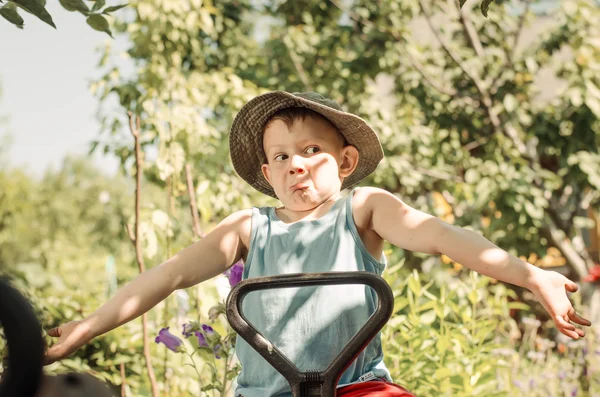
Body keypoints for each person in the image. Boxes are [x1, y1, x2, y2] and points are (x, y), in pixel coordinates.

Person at [44, 91, 591, 397]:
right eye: (281, 156)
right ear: (266, 171)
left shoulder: (364, 208)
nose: (295, 164)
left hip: (355, 392)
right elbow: (166, 276)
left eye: (311, 150)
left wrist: (530, 274)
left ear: (345, 162)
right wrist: (88, 327)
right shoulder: (247, 228)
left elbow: (443, 236)